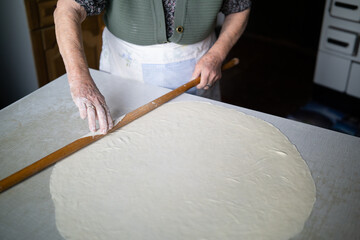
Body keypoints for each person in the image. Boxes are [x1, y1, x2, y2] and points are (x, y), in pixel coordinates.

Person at [54, 0, 251, 134]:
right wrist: (80, 79)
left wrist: (216, 55)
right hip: (125, 68)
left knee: (195, 143)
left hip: (198, 65)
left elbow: (239, 7)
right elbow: (67, 10)